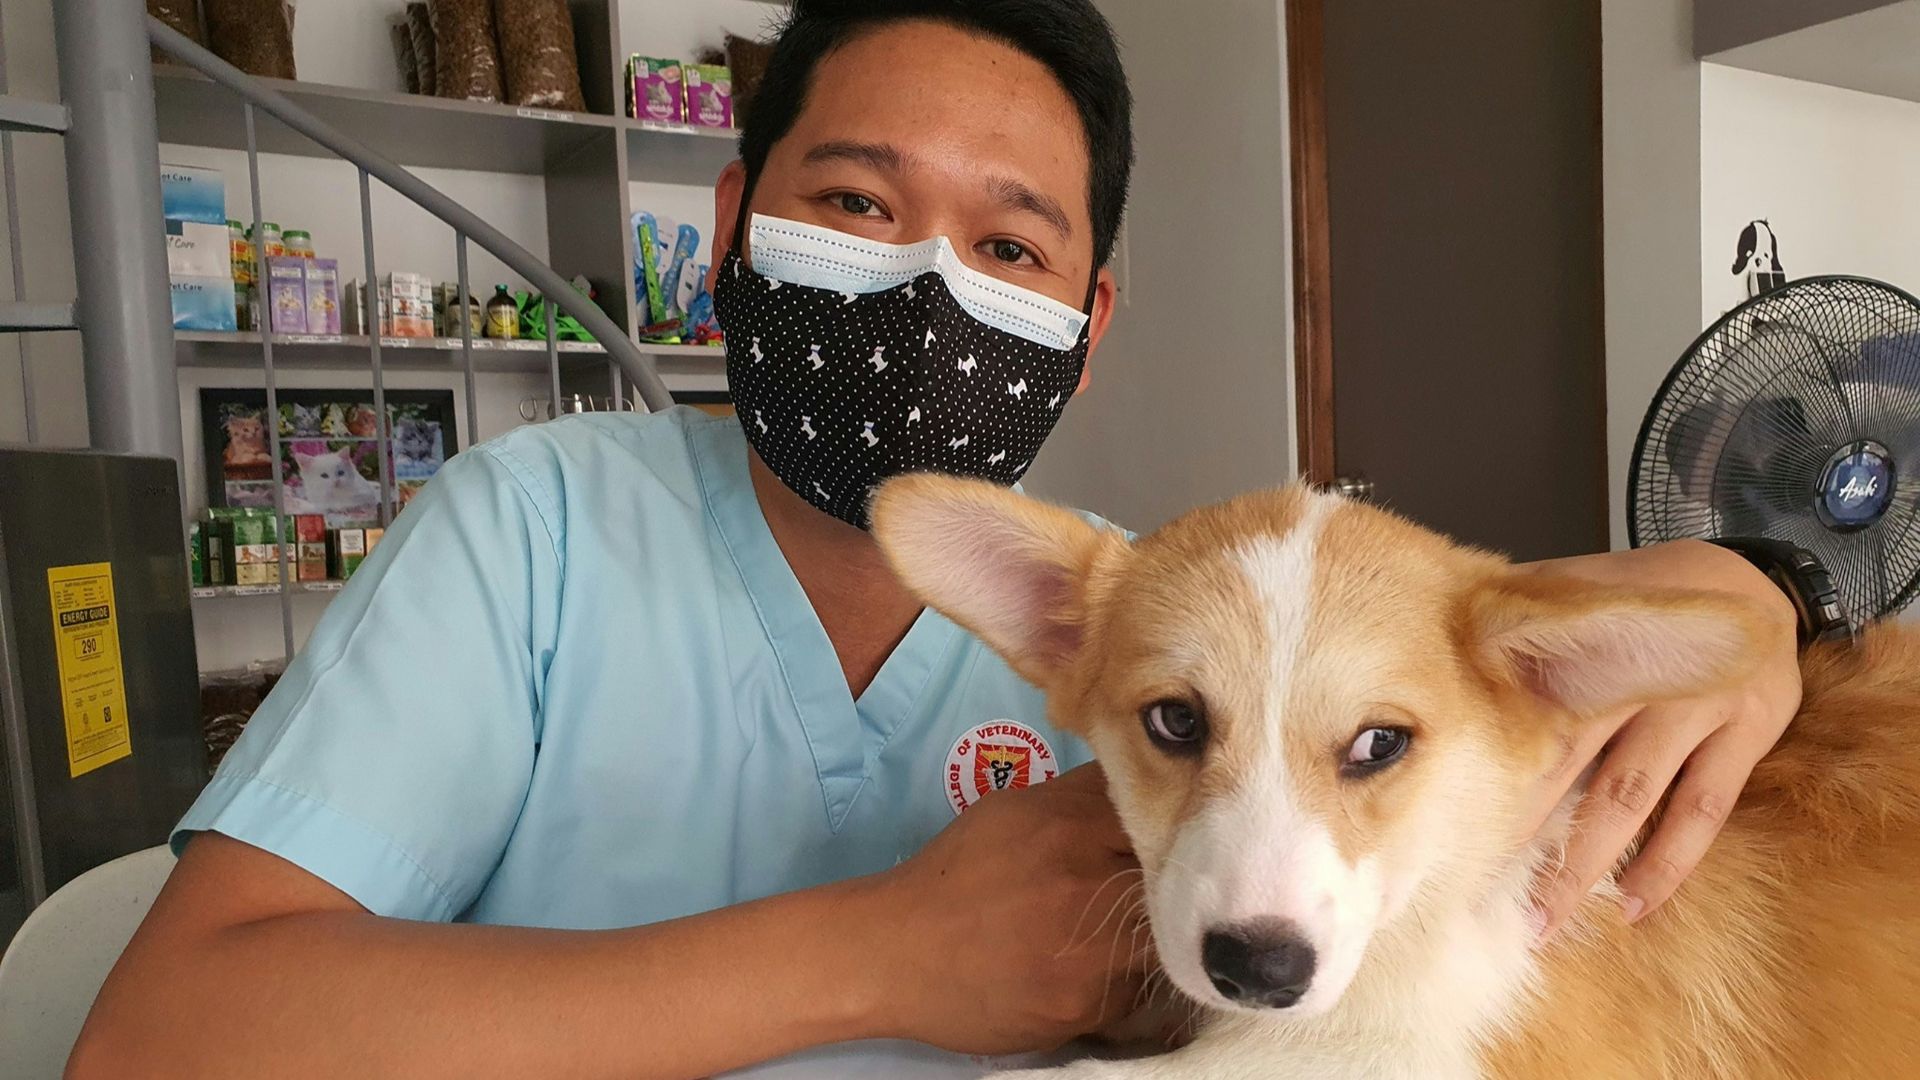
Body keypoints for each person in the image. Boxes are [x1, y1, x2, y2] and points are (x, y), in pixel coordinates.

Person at [70, 1, 1803, 1076]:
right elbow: (163, 1046)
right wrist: (882, 955)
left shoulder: (1153, 613)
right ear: (733, 228)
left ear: (1088, 323)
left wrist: (1760, 593)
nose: (925, 285)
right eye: (855, 202)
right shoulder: (532, 534)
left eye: (1012, 246)